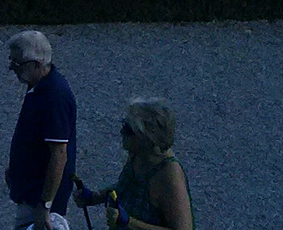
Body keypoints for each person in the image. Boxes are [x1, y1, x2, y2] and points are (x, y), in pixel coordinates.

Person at [75, 98, 194, 230]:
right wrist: (94, 197)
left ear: (148, 137)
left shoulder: (169, 176)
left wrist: (129, 223)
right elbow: (126, 187)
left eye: (129, 130)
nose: (122, 133)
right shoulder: (137, 154)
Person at [5, 30, 77, 230]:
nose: (12, 68)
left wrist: (45, 205)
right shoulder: (36, 86)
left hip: (40, 202)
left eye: (17, 64)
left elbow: (59, 154)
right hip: (30, 196)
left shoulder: (55, 96)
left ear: (36, 64)